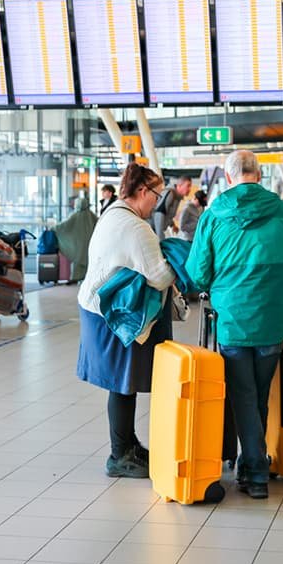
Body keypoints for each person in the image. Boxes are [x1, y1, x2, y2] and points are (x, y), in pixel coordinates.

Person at [187, 150, 283, 499]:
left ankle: (255, 471)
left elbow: (198, 274)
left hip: (233, 319)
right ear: (260, 174)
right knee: (258, 392)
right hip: (272, 317)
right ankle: (253, 462)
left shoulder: (213, 215)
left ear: (228, 178)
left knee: (243, 392)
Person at [77, 164, 177, 478]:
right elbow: (160, 276)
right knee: (122, 383)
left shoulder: (114, 213)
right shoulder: (136, 227)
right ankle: (119, 455)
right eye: (156, 195)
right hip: (112, 314)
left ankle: (128, 446)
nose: (157, 203)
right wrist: (180, 266)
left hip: (99, 308)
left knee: (122, 384)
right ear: (142, 191)